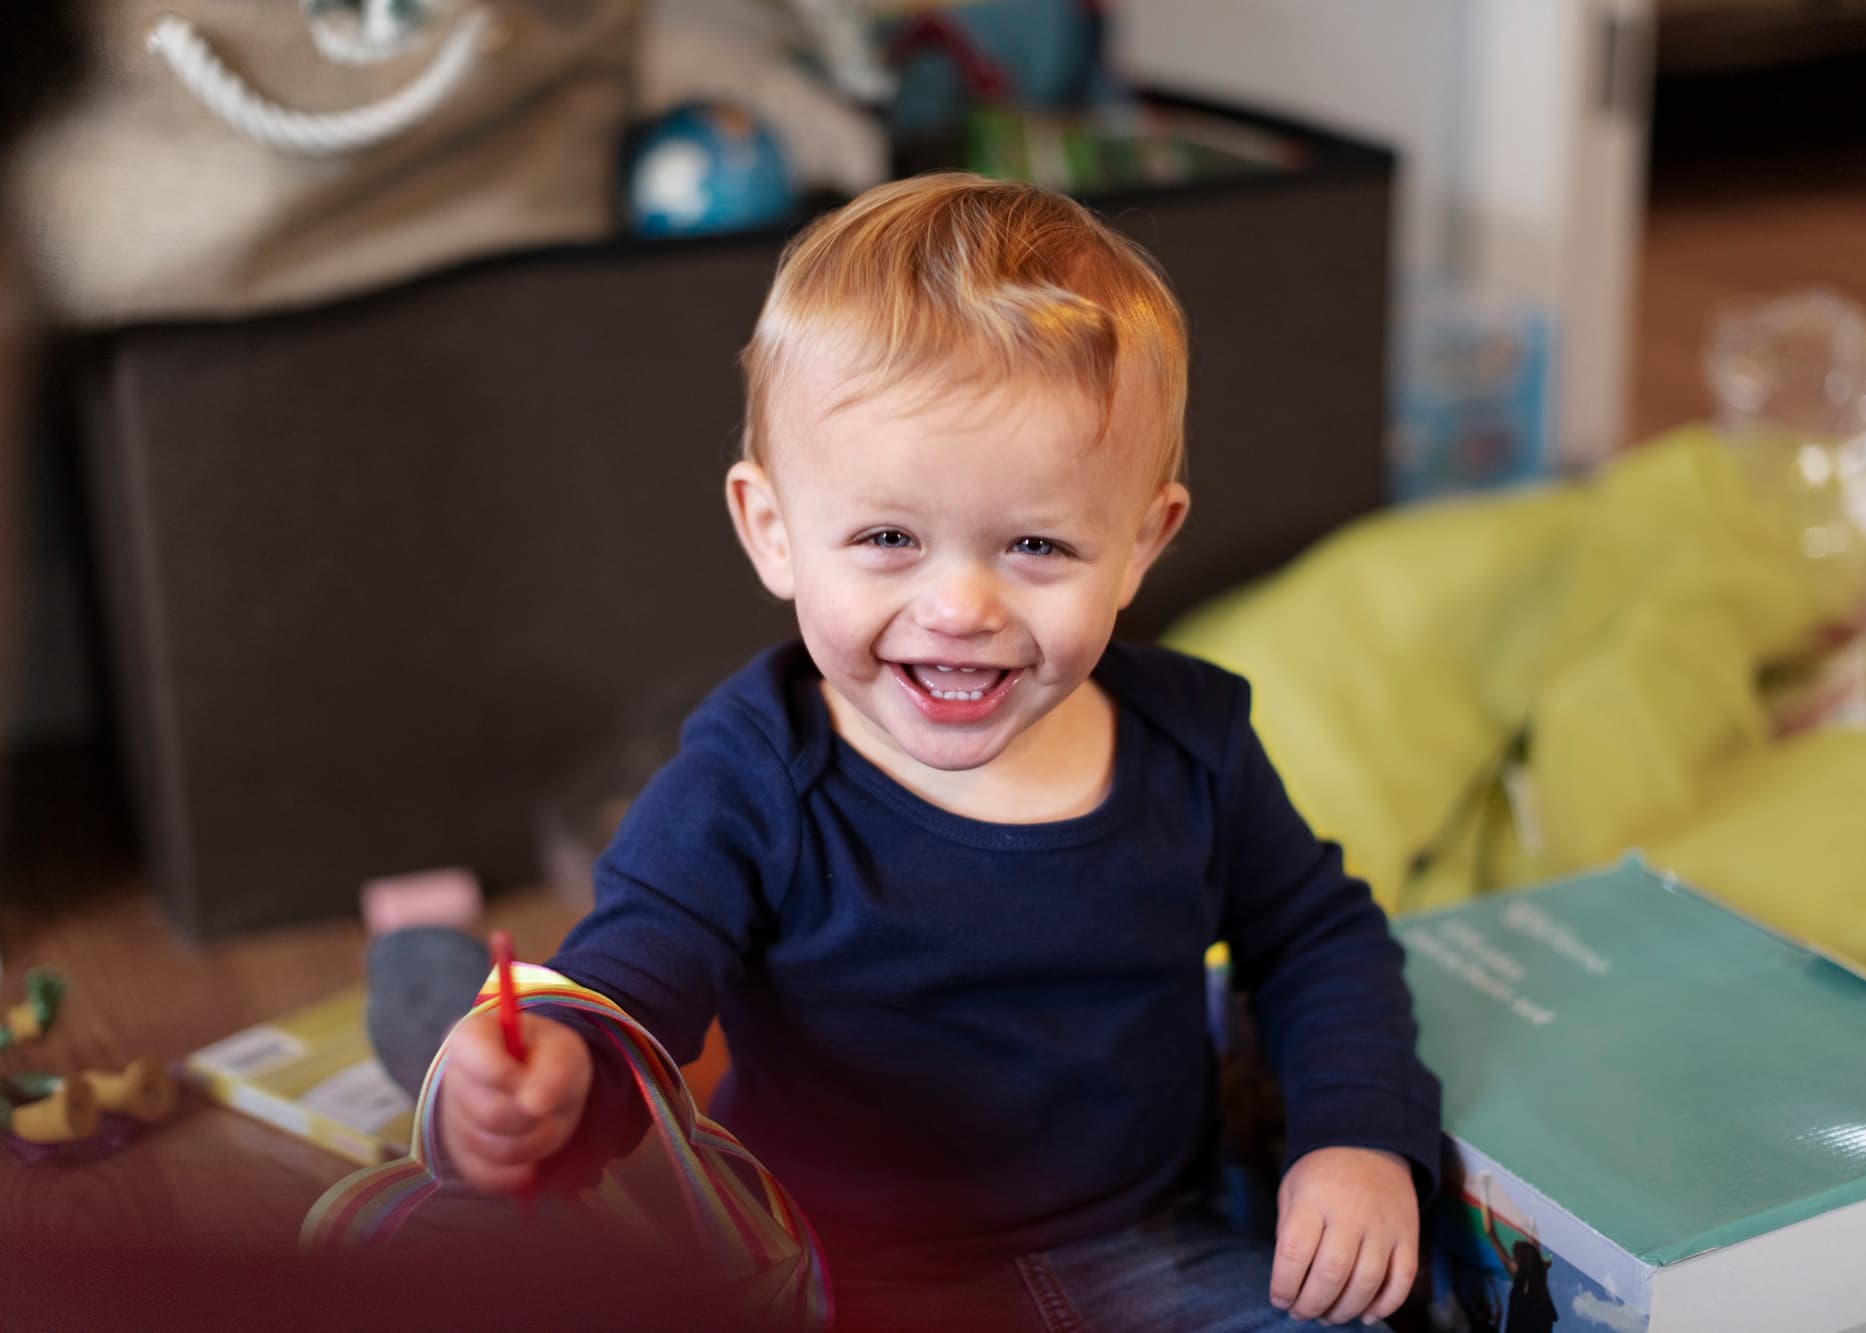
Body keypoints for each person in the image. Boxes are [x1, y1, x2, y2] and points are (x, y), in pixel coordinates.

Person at [433, 172, 1441, 1329]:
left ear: (1139, 544)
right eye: (886, 538)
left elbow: (1317, 935)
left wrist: (1356, 1136)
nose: (958, 605)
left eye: (1034, 544)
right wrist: (555, 1075)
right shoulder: (751, 777)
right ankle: (430, 1015)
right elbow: (632, 980)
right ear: (773, 530)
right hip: (843, 1274)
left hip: (1155, 1242)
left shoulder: (1190, 742)